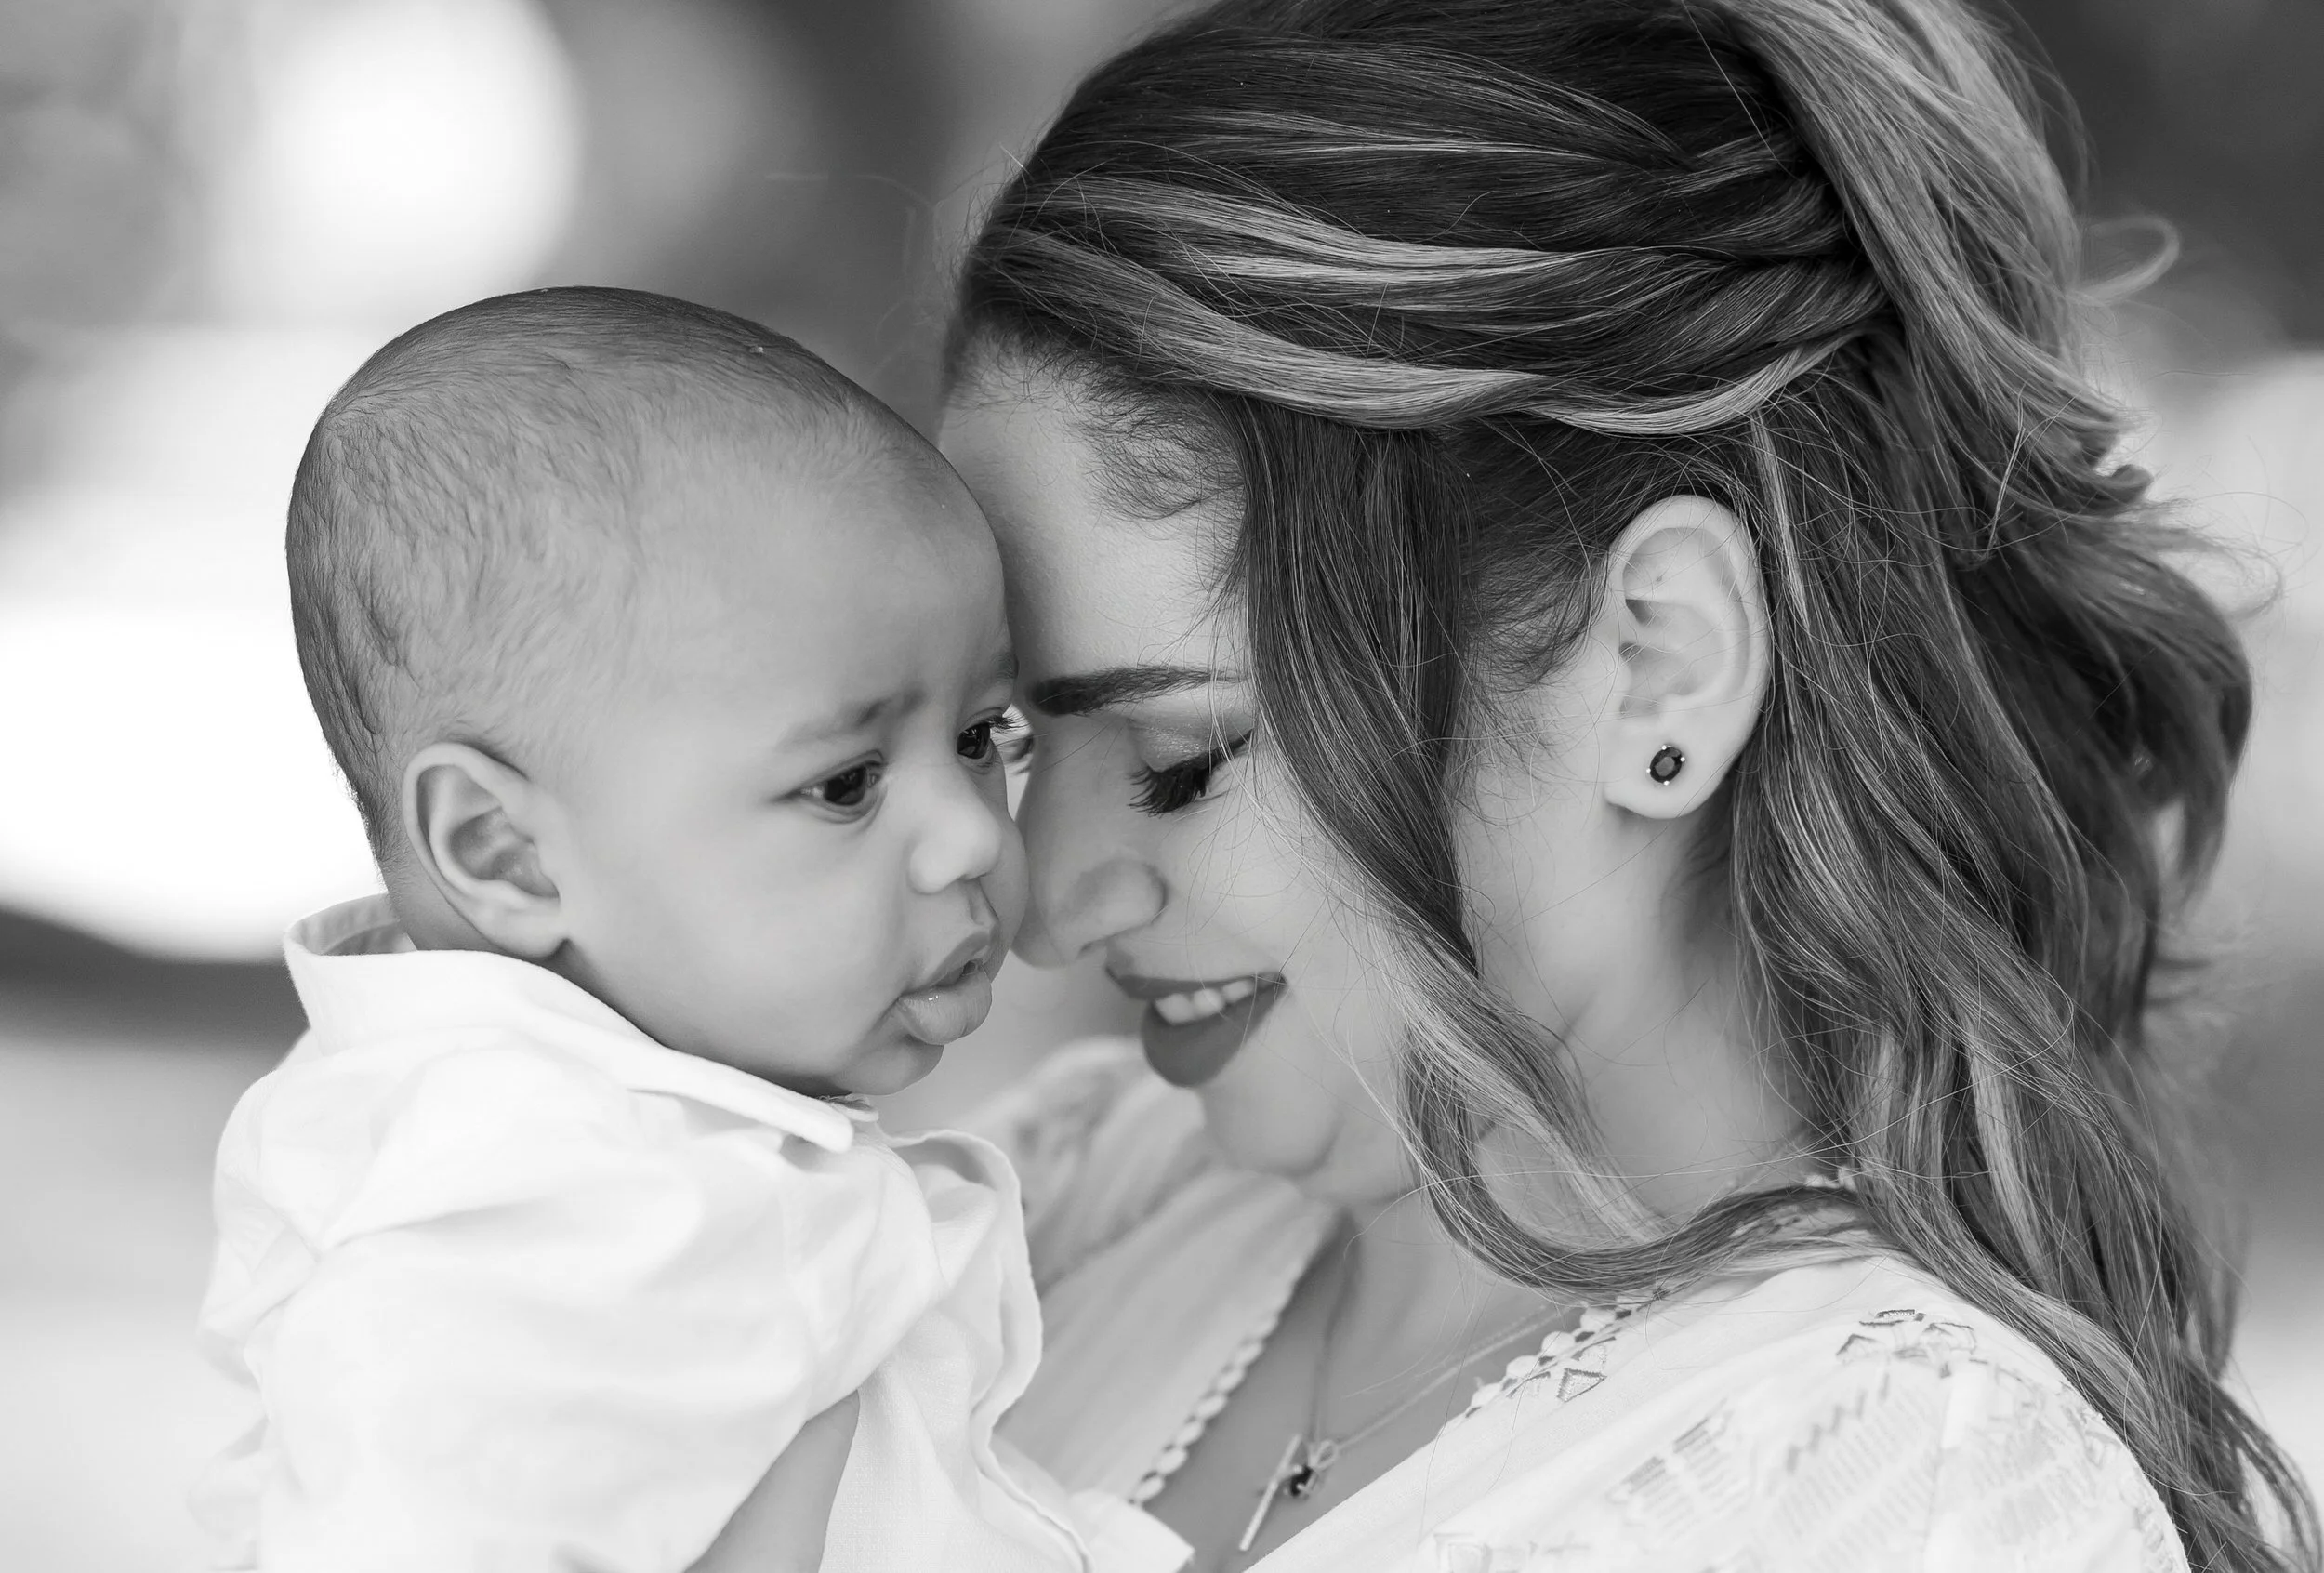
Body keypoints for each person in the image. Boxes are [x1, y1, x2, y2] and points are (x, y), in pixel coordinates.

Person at [923, 0, 2321, 1568]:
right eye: (1013, 743)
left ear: (1658, 665)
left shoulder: (1909, 1490)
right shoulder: (1044, 1216)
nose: (1040, 900)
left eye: (1180, 763)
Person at [192, 287, 1184, 1573]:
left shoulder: (645, 1149)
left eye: (980, 740)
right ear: (502, 852)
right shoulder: (519, 1208)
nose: (979, 839)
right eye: (845, 785)